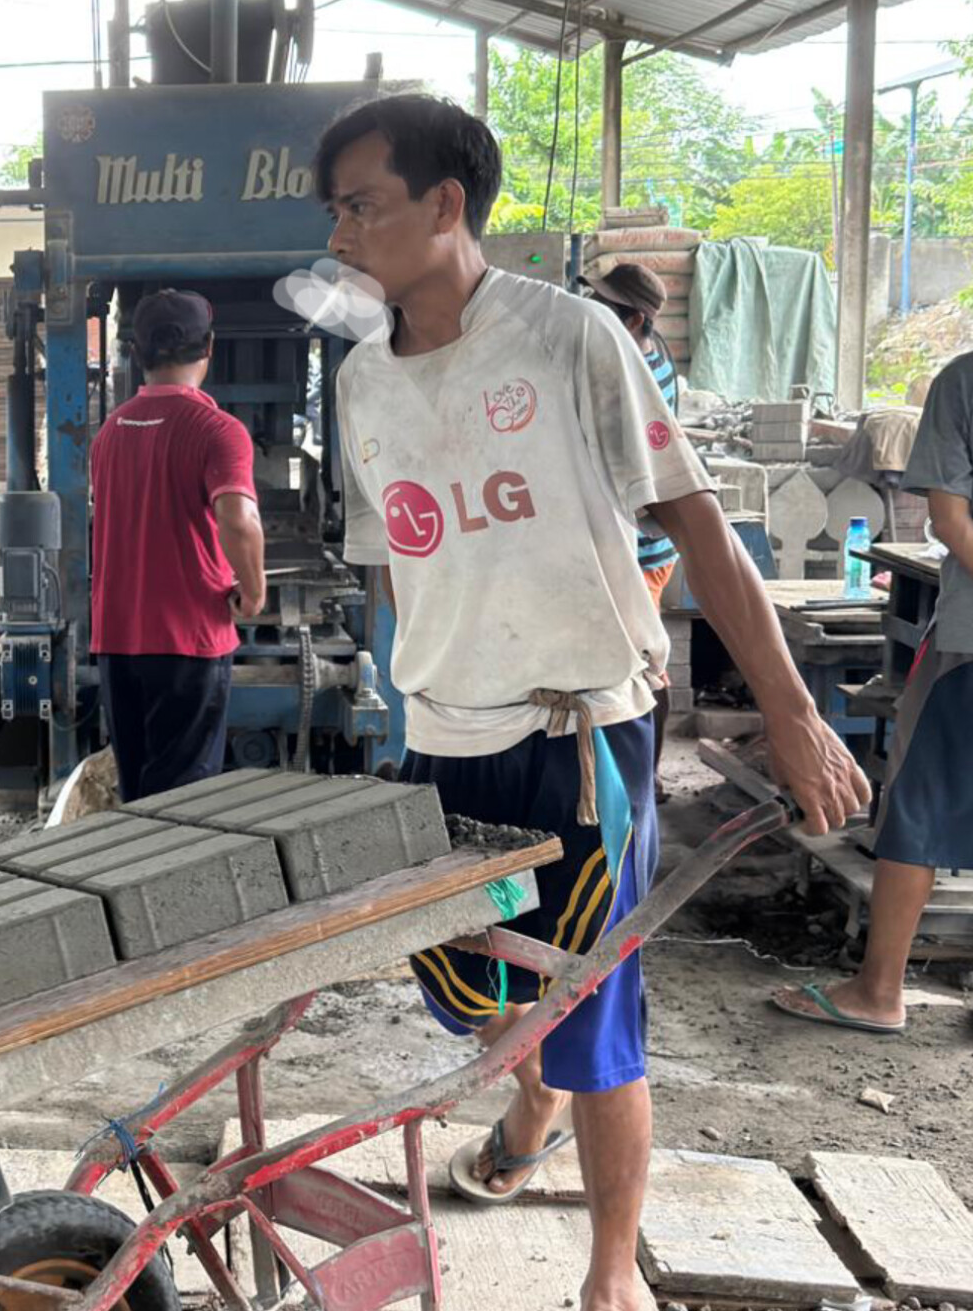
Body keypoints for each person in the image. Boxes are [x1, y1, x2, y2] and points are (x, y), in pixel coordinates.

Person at [316, 94, 867, 1311]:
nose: (343, 237)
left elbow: (697, 525)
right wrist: (396, 700)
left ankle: (612, 1276)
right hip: (443, 735)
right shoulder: (359, 382)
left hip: (580, 733)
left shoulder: (571, 340)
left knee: (595, 1012)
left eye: (363, 206)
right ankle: (532, 1115)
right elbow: (396, 569)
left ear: (446, 204)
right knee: (479, 993)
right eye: (336, 213)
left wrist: (791, 713)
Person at [772, 352, 973, 1033]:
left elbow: (949, 521)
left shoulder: (965, 380)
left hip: (969, 647)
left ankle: (879, 990)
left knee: (917, 806)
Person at [90, 290, 265, 802]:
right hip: (187, 641)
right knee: (181, 804)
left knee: (140, 795)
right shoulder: (217, 430)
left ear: (136, 350)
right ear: (209, 345)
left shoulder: (110, 432)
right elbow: (239, 518)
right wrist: (252, 592)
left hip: (118, 641)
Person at [582, 263, 682, 799]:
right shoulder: (642, 351)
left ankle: (648, 774)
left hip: (641, 547)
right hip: (622, 541)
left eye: (606, 309)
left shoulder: (644, 375)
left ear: (636, 319)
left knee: (644, 664)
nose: (593, 315)